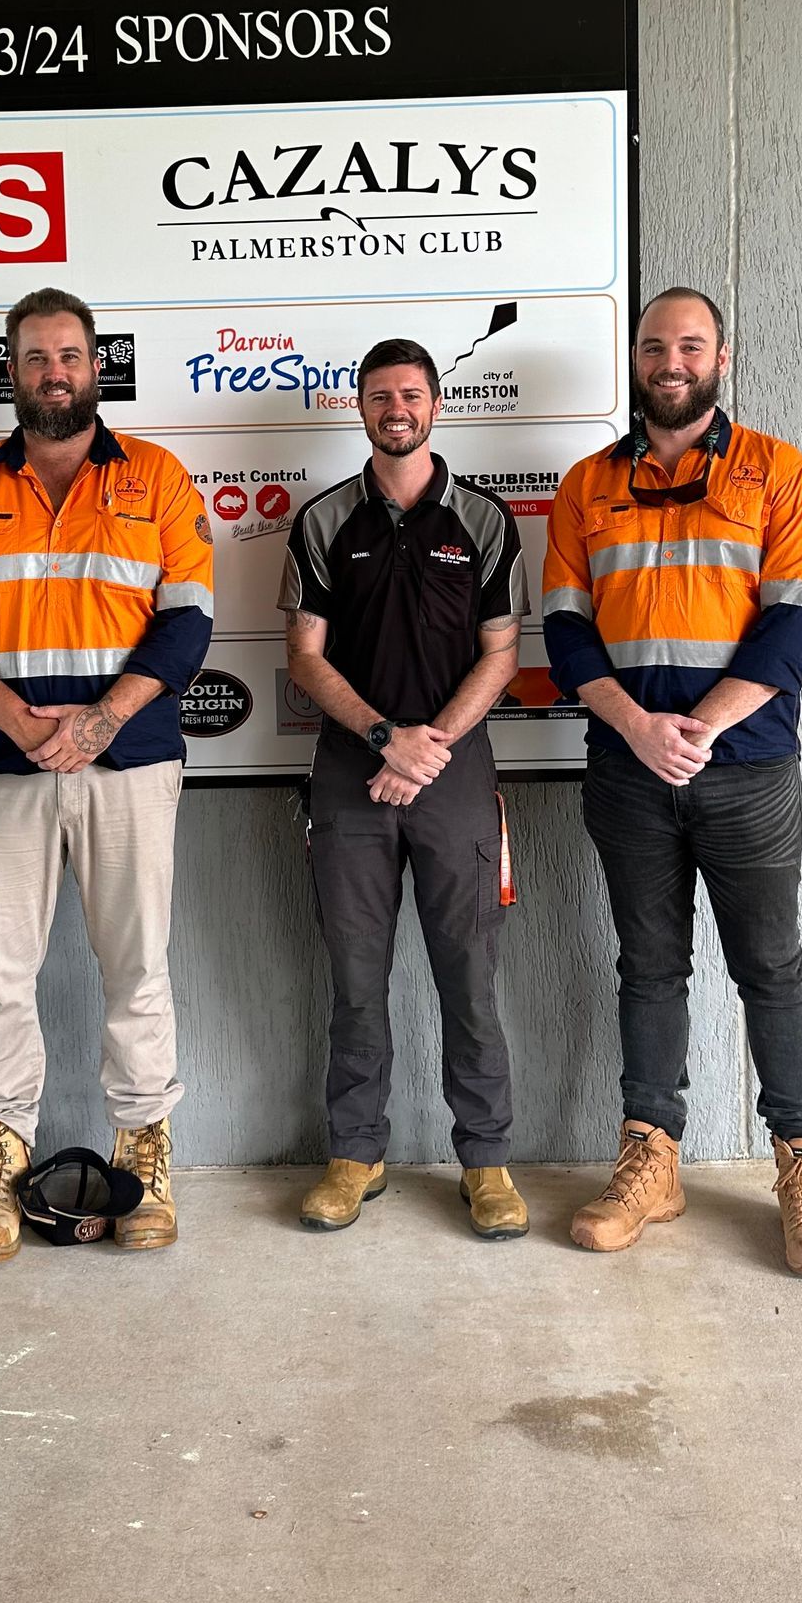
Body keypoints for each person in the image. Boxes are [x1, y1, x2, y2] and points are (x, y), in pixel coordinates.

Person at [543, 287, 802, 1276]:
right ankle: (651, 1158)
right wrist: (637, 727)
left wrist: (702, 728)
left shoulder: (777, 471)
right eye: (653, 345)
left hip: (747, 772)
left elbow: (797, 618)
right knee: (649, 965)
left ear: (723, 355)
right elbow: (564, 628)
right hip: (627, 773)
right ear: (634, 359)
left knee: (770, 968)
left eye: (689, 345)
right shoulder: (586, 484)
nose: (669, 360)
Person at [0, 288, 212, 1264]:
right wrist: (20, 721)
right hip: (3, 767)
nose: (55, 372)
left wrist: (98, 719)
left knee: (138, 969)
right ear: (12, 370)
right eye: (37, 357)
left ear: (95, 366)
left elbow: (188, 623)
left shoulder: (157, 478)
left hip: (127, 760)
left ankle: (146, 1157)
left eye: (71, 355)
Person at [281, 337, 530, 1238]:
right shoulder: (319, 522)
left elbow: (503, 653)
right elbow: (303, 656)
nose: (398, 407)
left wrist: (429, 747)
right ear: (359, 406)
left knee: (470, 977)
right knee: (355, 980)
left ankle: (488, 1163)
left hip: (456, 773)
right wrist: (386, 737)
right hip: (352, 771)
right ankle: (356, 1154)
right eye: (381, 393)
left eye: (413, 393)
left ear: (435, 406)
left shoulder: (487, 521)